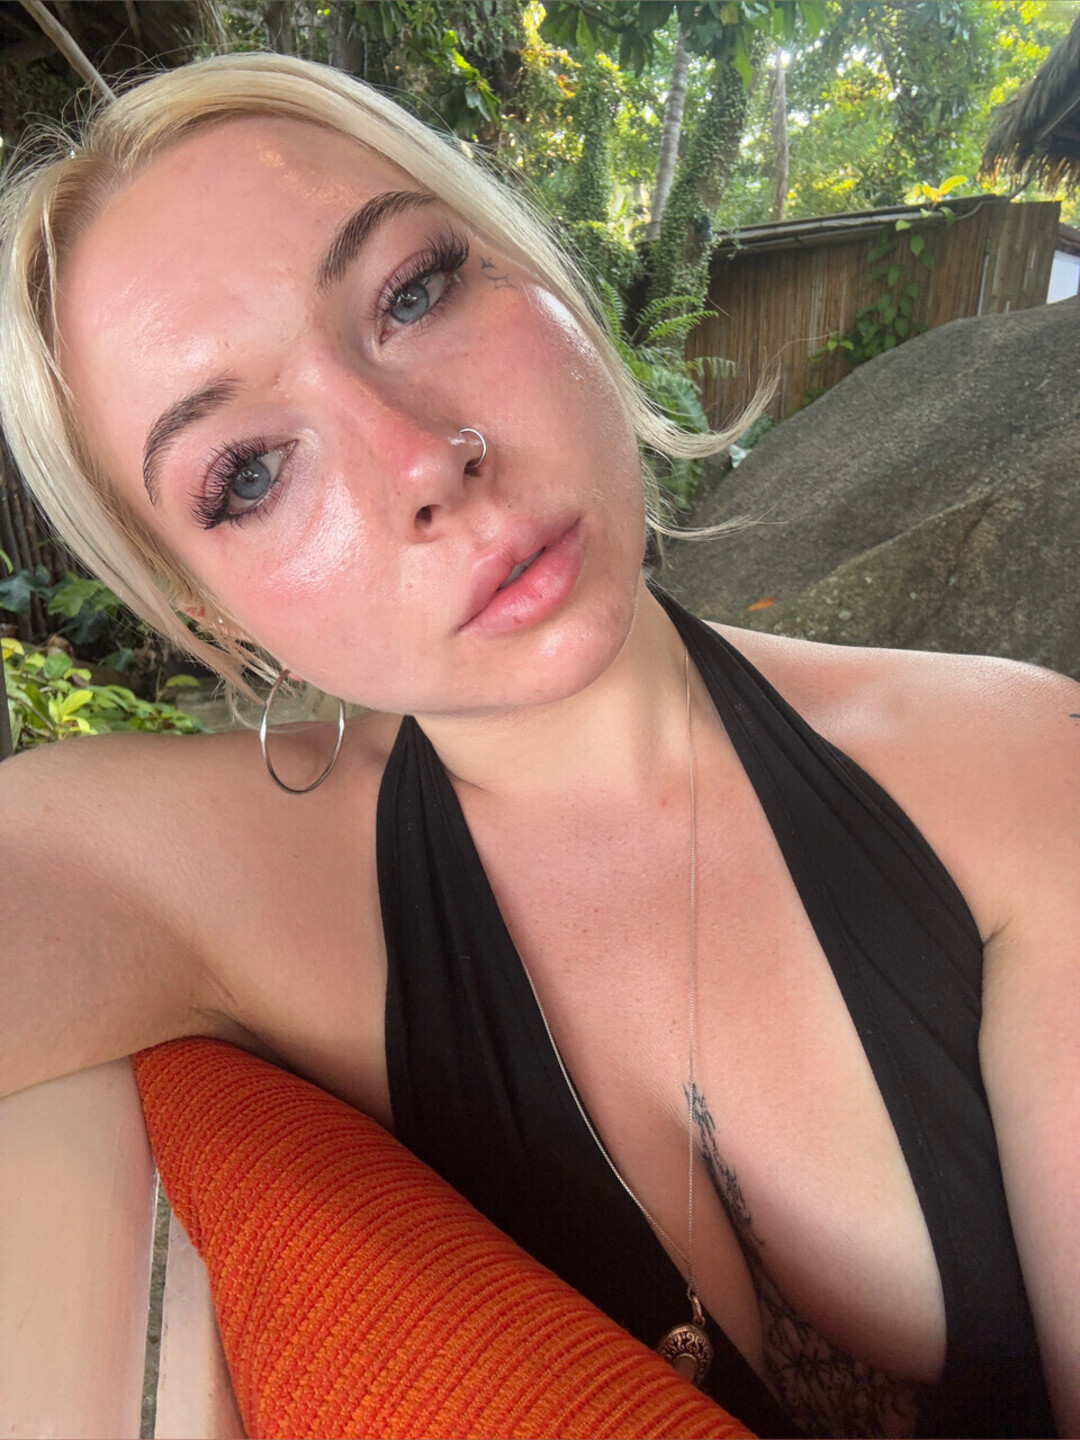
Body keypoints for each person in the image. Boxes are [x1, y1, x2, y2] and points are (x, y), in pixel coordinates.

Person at [0, 52, 1075, 1440]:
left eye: (413, 291)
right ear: (206, 611)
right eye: (248, 473)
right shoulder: (201, 879)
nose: (419, 460)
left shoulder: (1013, 765)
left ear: (547, 274)